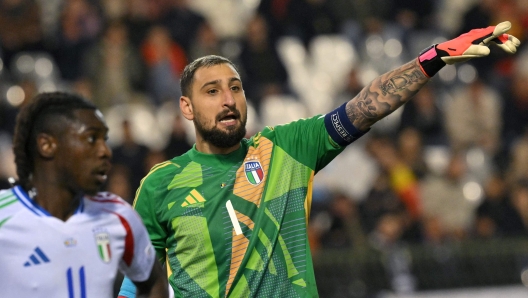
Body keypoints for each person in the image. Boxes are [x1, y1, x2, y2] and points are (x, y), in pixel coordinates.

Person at [119, 22, 520, 297]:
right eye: (212, 91)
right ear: (186, 108)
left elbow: (366, 107)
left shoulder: (285, 148)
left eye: (235, 88)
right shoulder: (161, 185)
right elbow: (136, 284)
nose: (227, 100)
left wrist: (431, 59)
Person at [0, 92, 168, 298]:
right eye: (91, 139)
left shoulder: (118, 214)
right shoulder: (4, 215)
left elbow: (153, 282)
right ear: (47, 145)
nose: (105, 151)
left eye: (104, 140)